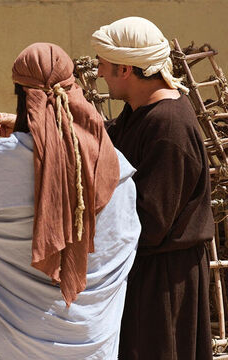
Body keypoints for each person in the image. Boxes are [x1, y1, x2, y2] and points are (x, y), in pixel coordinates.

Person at [0, 42, 140, 359]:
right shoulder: (114, 166)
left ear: (20, 93)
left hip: (8, 343)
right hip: (93, 336)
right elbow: (123, 241)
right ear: (73, 87)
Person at [91, 17, 214, 360]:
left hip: (165, 281)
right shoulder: (140, 113)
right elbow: (101, 139)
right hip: (148, 272)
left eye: (103, 64)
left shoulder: (168, 124)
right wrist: (33, 127)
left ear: (126, 69)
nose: (99, 73)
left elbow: (151, 221)